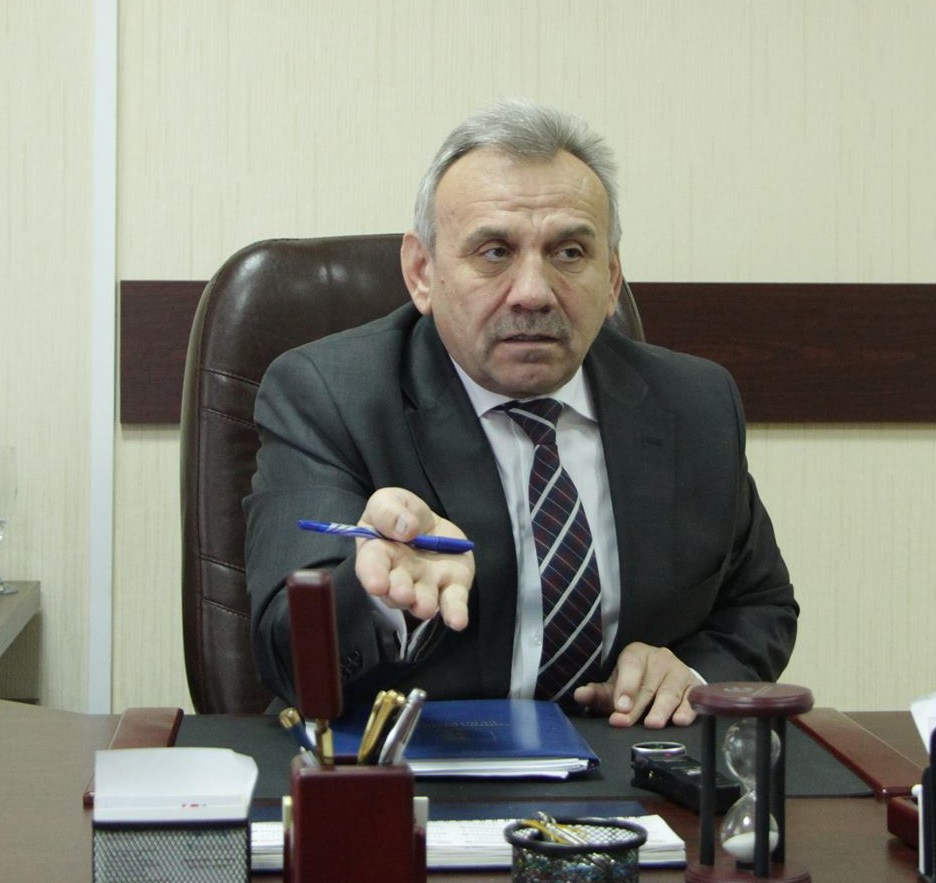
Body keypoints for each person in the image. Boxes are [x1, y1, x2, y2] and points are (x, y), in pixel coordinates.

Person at [244, 98, 798, 728]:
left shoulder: (694, 403)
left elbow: (760, 604)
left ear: (612, 279)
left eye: (570, 253)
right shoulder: (329, 396)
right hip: (419, 765)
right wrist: (381, 596)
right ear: (422, 272)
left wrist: (690, 675)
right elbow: (287, 655)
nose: (533, 293)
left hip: (630, 764)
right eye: (494, 252)